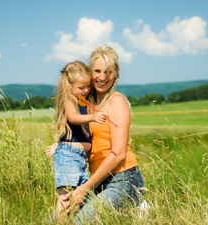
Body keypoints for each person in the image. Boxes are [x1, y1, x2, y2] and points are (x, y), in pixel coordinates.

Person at [63, 46, 145, 224]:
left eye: (107, 72)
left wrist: (84, 189)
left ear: (116, 72)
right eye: (97, 71)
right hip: (97, 182)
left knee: (80, 222)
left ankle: (139, 206)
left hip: (123, 179)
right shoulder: (86, 103)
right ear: (89, 71)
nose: (101, 78)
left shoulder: (117, 102)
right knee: (56, 219)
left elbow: (118, 153)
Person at [46, 61, 107, 223]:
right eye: (81, 88)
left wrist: (59, 142)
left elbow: (70, 128)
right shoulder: (68, 98)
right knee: (65, 201)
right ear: (68, 86)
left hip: (78, 158)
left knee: (75, 202)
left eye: (88, 86)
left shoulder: (80, 99)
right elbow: (72, 118)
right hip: (69, 157)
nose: (86, 90)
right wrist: (93, 117)